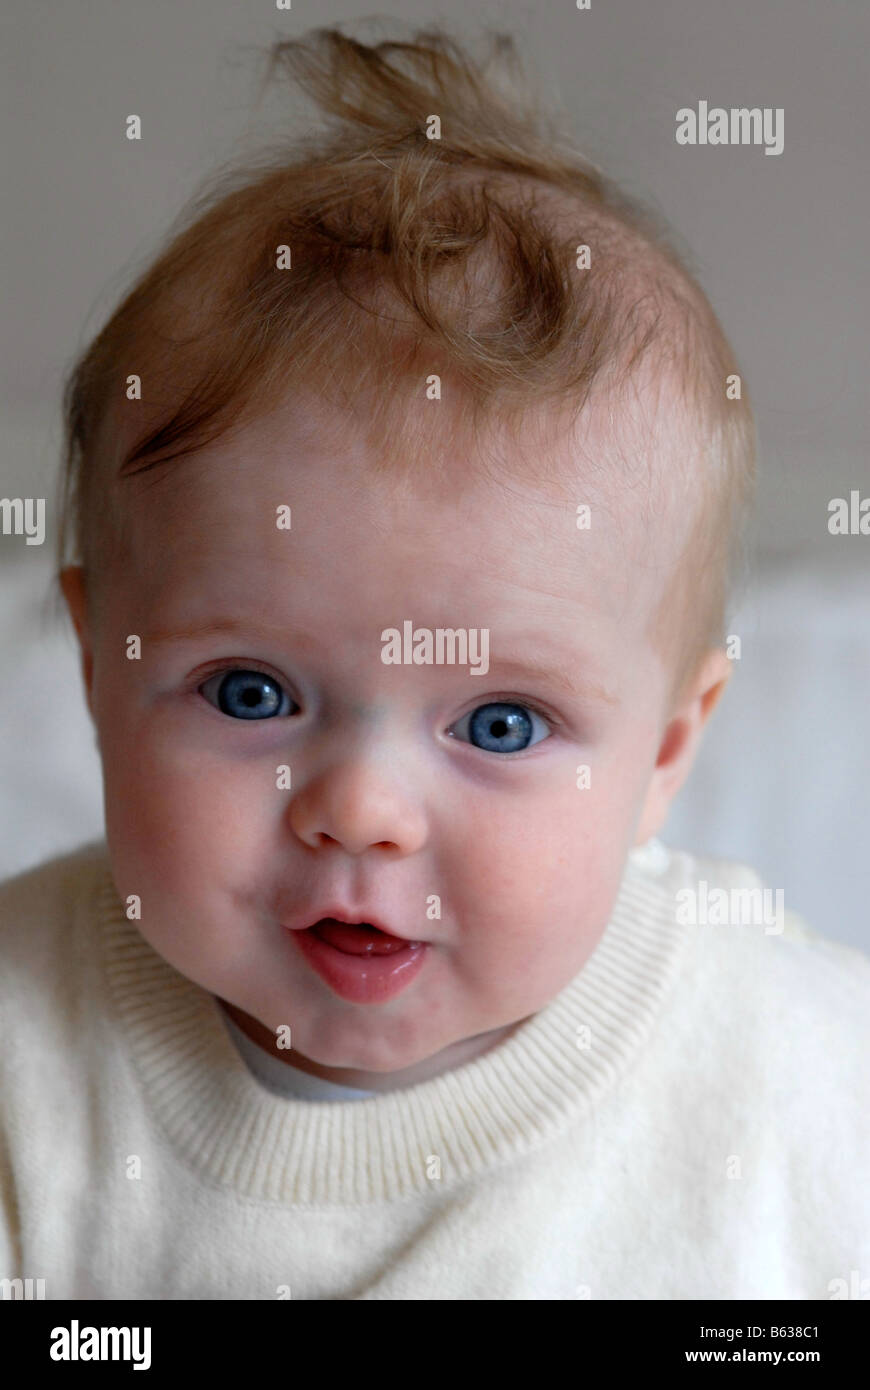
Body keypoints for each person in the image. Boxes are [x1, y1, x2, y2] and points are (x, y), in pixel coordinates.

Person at [1, 25, 867, 1300]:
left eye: (503, 723)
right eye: (253, 693)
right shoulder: (30, 1045)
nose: (361, 808)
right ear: (93, 664)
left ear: (668, 752)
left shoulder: (799, 1074)